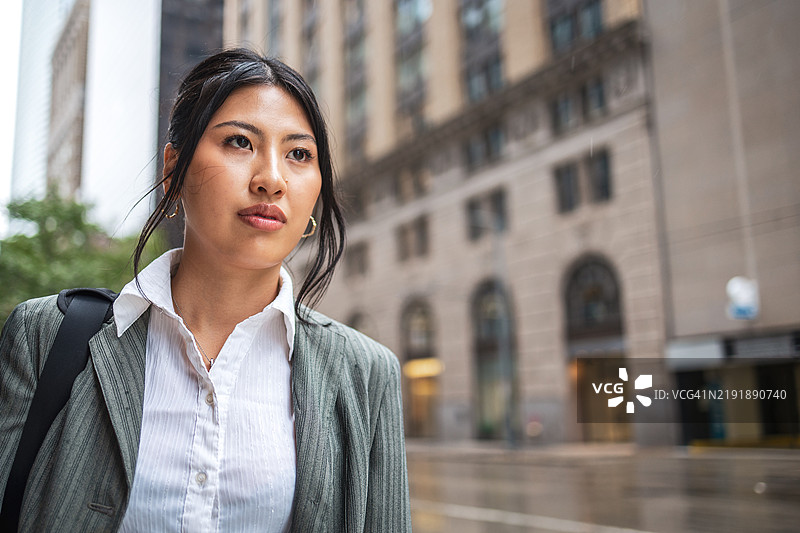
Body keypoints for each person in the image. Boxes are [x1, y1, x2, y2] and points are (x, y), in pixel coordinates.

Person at [0, 49, 411, 532]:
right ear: (174, 168)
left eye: (299, 154)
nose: (272, 180)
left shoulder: (366, 374)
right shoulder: (44, 338)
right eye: (240, 142)